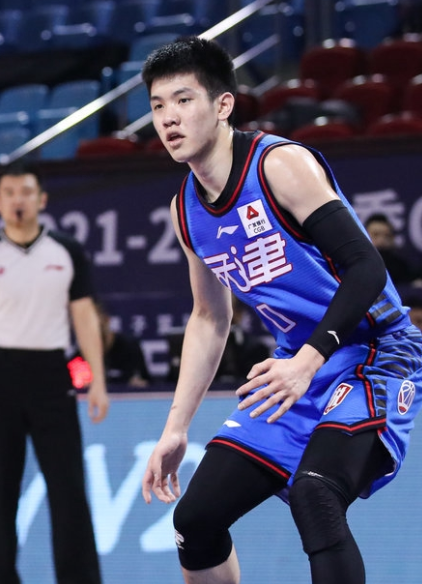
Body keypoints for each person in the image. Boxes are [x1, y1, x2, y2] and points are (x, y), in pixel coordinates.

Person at [138, 37, 422, 584]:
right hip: (297, 364)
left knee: (316, 494)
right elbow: (209, 318)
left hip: (377, 352)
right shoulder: (185, 210)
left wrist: (307, 362)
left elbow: (367, 268)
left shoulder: (279, 165)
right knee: (195, 521)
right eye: (157, 106)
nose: (168, 118)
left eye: (183, 100)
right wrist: (176, 428)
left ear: (223, 105)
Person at [0, 162, 109, 584]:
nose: (19, 200)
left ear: (42, 199)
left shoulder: (67, 251)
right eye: (10, 193)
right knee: (1, 492)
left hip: (52, 374)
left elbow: (84, 317)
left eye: (26, 192)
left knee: (69, 489)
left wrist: (97, 382)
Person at [96, 302, 151, 388]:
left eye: (98, 323)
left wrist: (138, 383)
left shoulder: (130, 347)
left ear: (107, 320)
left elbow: (146, 382)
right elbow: (77, 383)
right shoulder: (82, 353)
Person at [364, 213, 420, 286]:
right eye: (375, 235)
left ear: (393, 239)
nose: (381, 240)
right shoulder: (357, 266)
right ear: (364, 236)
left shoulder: (401, 267)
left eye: (387, 236)